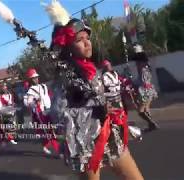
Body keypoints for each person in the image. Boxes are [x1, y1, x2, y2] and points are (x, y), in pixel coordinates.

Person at [46, 3, 143, 178]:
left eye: (87, 38)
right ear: (67, 48)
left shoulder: (94, 70)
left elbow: (117, 96)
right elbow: (58, 114)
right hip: (87, 146)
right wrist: (93, 113)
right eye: (79, 40)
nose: (87, 43)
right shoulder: (64, 79)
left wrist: (129, 97)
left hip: (112, 139)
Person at [24, 68, 60, 155]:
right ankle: (60, 151)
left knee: (51, 130)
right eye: (33, 78)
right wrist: (35, 101)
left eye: (36, 77)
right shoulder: (31, 90)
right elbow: (28, 103)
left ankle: (45, 145)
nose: (36, 79)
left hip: (49, 110)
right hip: (40, 113)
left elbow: (49, 95)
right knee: (49, 131)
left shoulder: (43, 86)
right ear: (30, 80)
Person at [134, 44, 159, 132]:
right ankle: (151, 125)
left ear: (141, 63)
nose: (136, 64)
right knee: (146, 109)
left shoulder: (142, 70)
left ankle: (152, 123)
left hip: (145, 91)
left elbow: (140, 81)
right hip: (150, 90)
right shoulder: (148, 69)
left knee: (140, 111)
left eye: (137, 63)